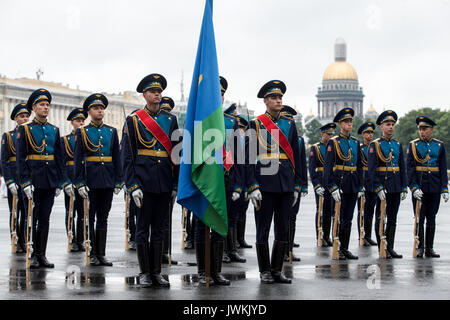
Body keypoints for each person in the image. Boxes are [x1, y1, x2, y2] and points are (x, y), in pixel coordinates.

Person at [123, 74, 180, 288]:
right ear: (145, 95)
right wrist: (133, 185)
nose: (157, 94)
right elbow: (127, 157)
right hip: (144, 183)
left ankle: (157, 271)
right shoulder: (134, 119)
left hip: (164, 182)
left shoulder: (170, 119)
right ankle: (145, 272)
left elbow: (176, 154)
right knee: (142, 229)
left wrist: (175, 184)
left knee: (160, 228)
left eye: (159, 91)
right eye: (153, 92)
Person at [246, 80, 302, 284]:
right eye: (274, 98)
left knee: (282, 228)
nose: (279, 101)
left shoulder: (289, 124)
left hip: (286, 183)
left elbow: (296, 155)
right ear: (266, 101)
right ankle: (264, 271)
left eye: (280, 98)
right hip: (265, 184)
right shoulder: (256, 124)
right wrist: (252, 186)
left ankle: (277, 269)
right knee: (263, 229)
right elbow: (249, 156)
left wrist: (298, 184)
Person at [16, 89, 72, 268]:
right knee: (31, 217)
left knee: (45, 218)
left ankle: (42, 254)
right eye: (42, 104)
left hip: (49, 180)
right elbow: (20, 159)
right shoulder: (25, 130)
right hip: (33, 180)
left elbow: (59, 158)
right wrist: (24, 182)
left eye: (47, 105)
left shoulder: (53, 130)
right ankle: (32, 253)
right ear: (34, 107)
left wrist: (60, 182)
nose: (45, 107)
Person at [73, 93, 123, 266]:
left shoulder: (111, 131)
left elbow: (117, 157)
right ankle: (92, 252)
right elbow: (78, 159)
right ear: (89, 111)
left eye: (102, 108)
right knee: (90, 217)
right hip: (91, 181)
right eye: (96, 108)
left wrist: (119, 180)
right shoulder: (83, 132)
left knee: (103, 217)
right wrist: (79, 182)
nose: (100, 110)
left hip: (107, 180)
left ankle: (101, 253)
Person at [324, 108, 363, 260]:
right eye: (346, 121)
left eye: (350, 121)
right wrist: (332, 187)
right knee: (338, 218)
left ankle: (345, 248)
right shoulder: (333, 142)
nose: (349, 124)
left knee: (348, 218)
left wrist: (360, 185)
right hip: (340, 183)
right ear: (340, 124)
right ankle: (337, 247)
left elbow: (359, 166)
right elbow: (328, 167)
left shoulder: (355, 142)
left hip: (352, 183)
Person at [407, 116, 448, 258]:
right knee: (419, 217)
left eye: (425, 129)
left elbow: (442, 168)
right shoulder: (413, 145)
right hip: (420, 186)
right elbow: (410, 169)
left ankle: (429, 248)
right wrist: (413, 187)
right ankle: (420, 247)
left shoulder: (439, 145)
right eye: (420, 129)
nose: (422, 132)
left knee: (432, 217)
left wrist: (444, 189)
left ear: (431, 130)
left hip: (434, 186)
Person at [368, 110, 407, 259]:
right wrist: (377, 187)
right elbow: (372, 171)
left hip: (395, 186)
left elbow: (402, 168)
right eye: (387, 124)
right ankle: (382, 247)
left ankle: (390, 247)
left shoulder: (397, 144)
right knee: (380, 217)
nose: (391, 127)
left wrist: (404, 186)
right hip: (382, 187)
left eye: (392, 124)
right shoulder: (375, 145)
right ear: (381, 127)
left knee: (392, 218)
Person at [1, 103, 31, 254]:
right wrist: (9, 181)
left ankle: (25, 240)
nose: (25, 119)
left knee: (27, 213)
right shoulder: (8, 136)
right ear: (15, 119)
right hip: (14, 177)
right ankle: (15, 240)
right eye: (21, 116)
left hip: (27, 178)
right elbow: (4, 161)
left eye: (26, 116)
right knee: (14, 212)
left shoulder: (32, 134)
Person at [279, 105, 307, 262]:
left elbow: (301, 164)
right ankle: (280, 251)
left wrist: (301, 186)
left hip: (293, 184)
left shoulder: (299, 140)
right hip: (279, 183)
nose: (288, 122)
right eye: (286, 118)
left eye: (290, 119)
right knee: (281, 220)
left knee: (292, 218)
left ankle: (288, 250)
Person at [221, 101, 245, 264]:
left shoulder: (237, 132)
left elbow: (240, 159)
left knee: (232, 217)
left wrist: (239, 185)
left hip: (233, 177)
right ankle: (222, 251)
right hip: (218, 175)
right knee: (220, 218)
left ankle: (231, 249)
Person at [61, 108, 87, 252]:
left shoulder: (87, 138)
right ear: (72, 123)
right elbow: (62, 163)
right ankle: (71, 239)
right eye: (78, 121)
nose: (81, 123)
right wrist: (65, 182)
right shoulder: (65, 140)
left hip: (83, 178)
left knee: (83, 212)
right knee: (70, 211)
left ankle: (81, 240)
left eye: (83, 120)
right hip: (71, 178)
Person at [308, 122, 336, 247]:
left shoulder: (335, 147)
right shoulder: (316, 148)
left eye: (332, 134)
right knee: (320, 209)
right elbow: (312, 168)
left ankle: (326, 235)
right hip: (320, 179)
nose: (330, 136)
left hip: (330, 181)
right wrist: (316, 184)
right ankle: (319, 235)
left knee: (330, 210)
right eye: (328, 134)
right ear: (323, 134)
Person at [159, 96, 178, 265]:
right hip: (148, 179)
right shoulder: (139, 120)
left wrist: (176, 184)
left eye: (168, 110)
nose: (166, 113)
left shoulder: (172, 123)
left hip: (167, 179)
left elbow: (177, 154)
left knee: (166, 220)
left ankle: (164, 252)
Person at [357, 122, 378, 246]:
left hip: (373, 182)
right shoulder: (360, 148)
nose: (370, 135)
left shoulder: (376, 148)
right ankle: (361, 235)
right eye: (367, 133)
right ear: (363, 135)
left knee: (371, 210)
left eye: (371, 133)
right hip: (363, 180)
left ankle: (368, 235)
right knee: (362, 211)